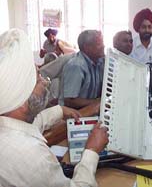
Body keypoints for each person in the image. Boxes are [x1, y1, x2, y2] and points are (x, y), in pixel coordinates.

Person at [0, 28, 109, 186]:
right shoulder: (31, 155)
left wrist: (60, 111)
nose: (45, 82)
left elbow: (30, 125)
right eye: (38, 79)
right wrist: (92, 151)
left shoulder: (9, 124)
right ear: (22, 99)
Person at [60, 30, 105, 110]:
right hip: (73, 115)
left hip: (89, 111)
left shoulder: (100, 62)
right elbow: (70, 101)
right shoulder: (76, 66)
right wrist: (98, 102)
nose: (103, 46)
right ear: (86, 47)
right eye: (99, 44)